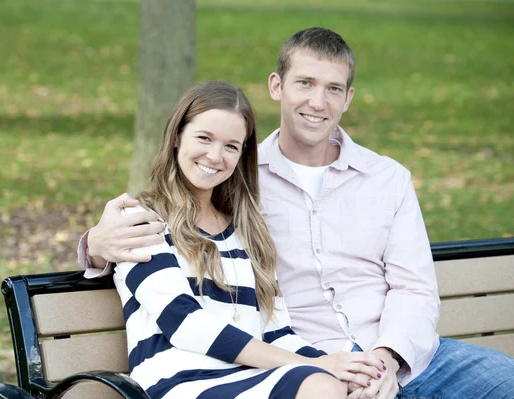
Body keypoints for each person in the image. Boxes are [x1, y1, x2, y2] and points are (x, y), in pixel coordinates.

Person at [80, 29, 514, 399]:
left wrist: (385, 360)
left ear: (348, 98)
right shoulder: (242, 182)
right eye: (304, 83)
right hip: (305, 361)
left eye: (333, 89)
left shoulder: (387, 179)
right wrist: (96, 246)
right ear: (277, 86)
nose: (317, 102)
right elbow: (167, 240)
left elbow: (414, 289)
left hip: (403, 357)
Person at [86, 80, 385, 399]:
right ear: (176, 137)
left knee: (347, 386)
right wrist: (319, 368)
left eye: (231, 146)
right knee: (323, 384)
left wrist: (340, 367)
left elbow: (277, 333)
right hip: (177, 383)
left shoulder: (248, 233)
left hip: (249, 379)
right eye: (204, 138)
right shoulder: (141, 221)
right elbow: (186, 325)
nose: (215, 156)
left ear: (242, 155)